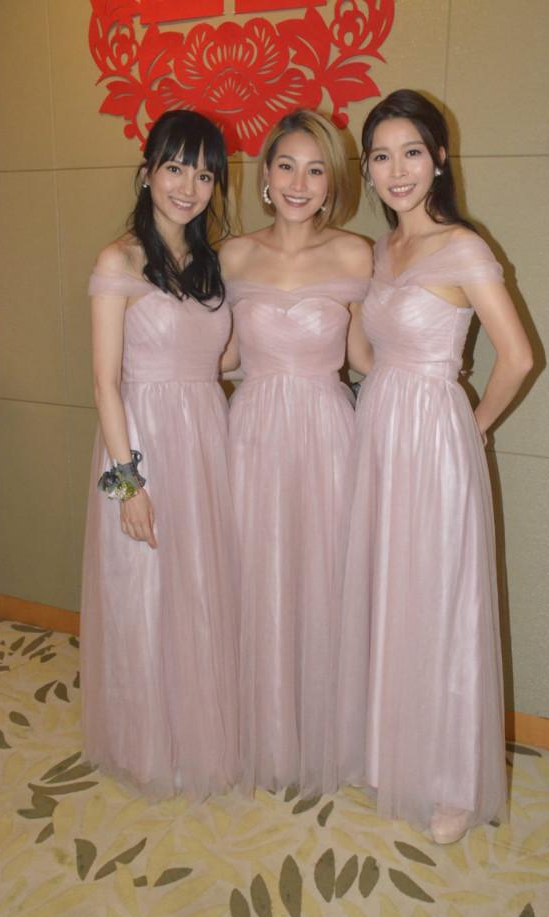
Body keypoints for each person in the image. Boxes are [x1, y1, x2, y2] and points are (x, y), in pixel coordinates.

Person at [338, 89, 534, 843]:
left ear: (440, 159)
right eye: (382, 156)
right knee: (391, 590)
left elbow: (518, 358)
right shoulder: (380, 251)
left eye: (412, 153)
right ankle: (394, 751)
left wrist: (474, 429)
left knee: (442, 598)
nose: (397, 171)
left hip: (436, 435)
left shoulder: (464, 248)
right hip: (379, 426)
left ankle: (453, 780)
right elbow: (366, 357)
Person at [80, 109, 239, 798]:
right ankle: (147, 742)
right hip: (138, 445)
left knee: (200, 590)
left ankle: (198, 731)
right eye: (175, 168)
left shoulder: (212, 263)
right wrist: (127, 484)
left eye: (203, 175)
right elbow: (102, 383)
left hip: (207, 436)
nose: (188, 187)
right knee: (143, 595)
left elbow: (223, 359)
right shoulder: (118, 261)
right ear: (147, 172)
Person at [219, 109, 372, 797]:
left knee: (325, 578)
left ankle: (325, 732)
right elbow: (222, 355)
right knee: (251, 576)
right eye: (287, 166)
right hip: (250, 432)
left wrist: (430, 383)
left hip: (328, 433)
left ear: (333, 181)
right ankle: (259, 731)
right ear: (266, 174)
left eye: (316, 170)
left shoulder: (356, 254)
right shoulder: (233, 256)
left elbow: (364, 356)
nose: (299, 183)